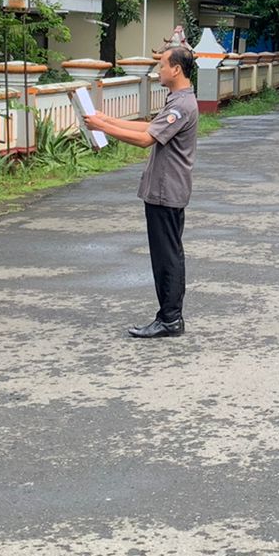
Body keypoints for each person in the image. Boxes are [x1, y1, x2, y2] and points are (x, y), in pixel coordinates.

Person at [85, 45, 201, 338]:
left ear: (176, 69)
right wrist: (106, 119)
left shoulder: (180, 106)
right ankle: (170, 317)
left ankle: (170, 319)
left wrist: (102, 126)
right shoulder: (179, 100)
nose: (158, 70)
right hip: (165, 189)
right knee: (168, 254)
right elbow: (150, 127)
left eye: (162, 65)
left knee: (167, 257)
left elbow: (146, 139)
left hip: (166, 190)